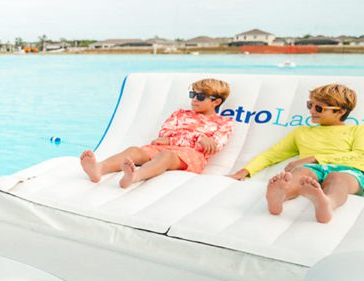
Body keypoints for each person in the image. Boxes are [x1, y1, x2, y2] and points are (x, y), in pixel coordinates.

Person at [229, 84, 364, 223]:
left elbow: (360, 154)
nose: (312, 110)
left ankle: (328, 203)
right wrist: (243, 172)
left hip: (348, 170)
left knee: (336, 178)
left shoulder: (358, 130)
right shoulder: (302, 132)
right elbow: (271, 154)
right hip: (312, 170)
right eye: (310, 105)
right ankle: (280, 196)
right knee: (300, 173)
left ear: (340, 111)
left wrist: (314, 158)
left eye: (319, 108)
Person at [80, 78, 233, 188]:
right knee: (134, 151)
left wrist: (174, 140)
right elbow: (165, 133)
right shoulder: (180, 113)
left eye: (200, 97)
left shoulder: (224, 123)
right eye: (193, 95)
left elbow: (213, 147)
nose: (194, 100)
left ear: (216, 102)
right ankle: (99, 168)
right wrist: (199, 137)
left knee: (166, 156)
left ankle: (135, 176)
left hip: (190, 156)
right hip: (165, 147)